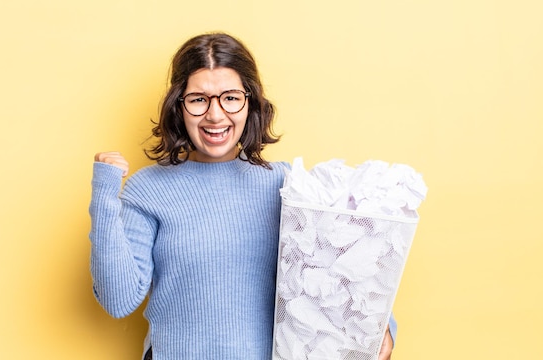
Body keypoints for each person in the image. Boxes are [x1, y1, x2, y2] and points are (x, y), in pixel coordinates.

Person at [89, 32, 395, 360]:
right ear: (179, 106)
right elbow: (118, 300)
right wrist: (105, 195)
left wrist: (382, 327)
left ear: (250, 101)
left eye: (230, 97)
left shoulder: (289, 184)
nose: (215, 115)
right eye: (198, 99)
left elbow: (344, 269)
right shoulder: (147, 189)